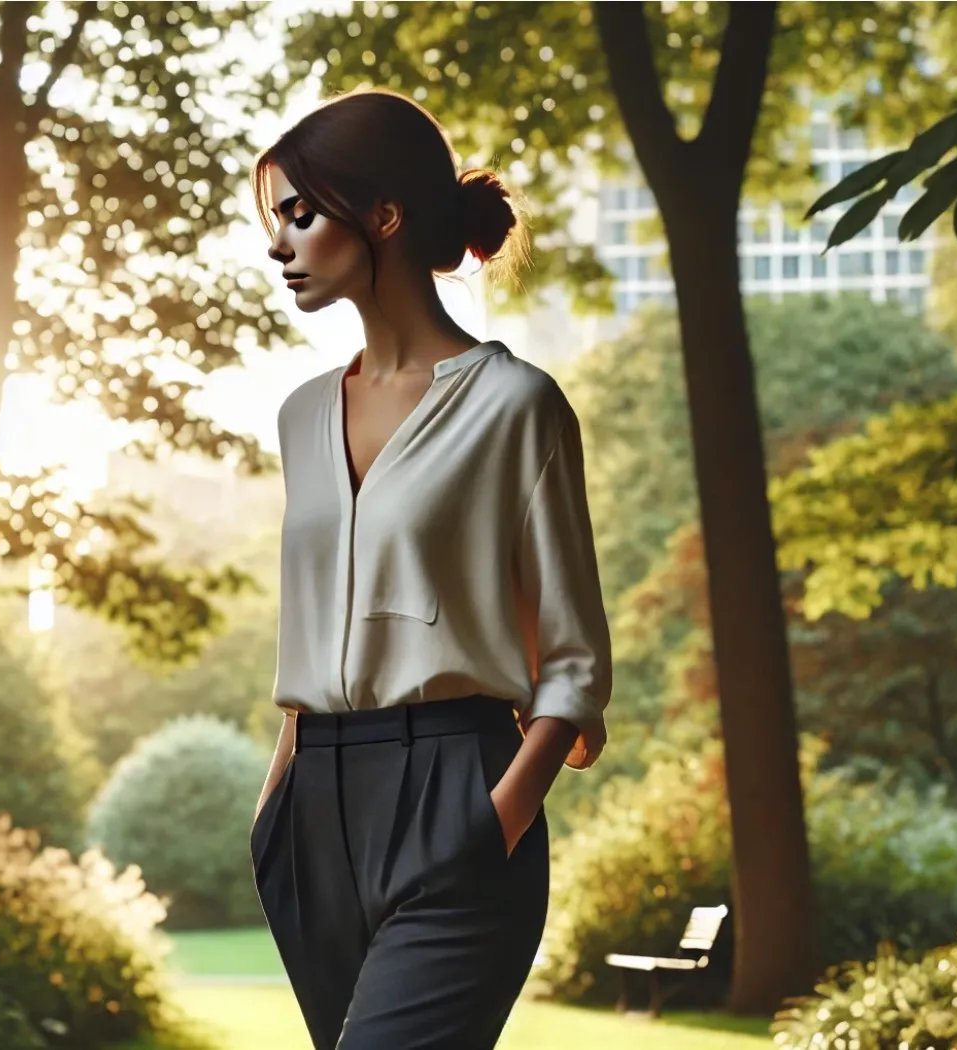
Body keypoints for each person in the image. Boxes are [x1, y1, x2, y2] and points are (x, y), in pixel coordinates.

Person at [246, 88, 614, 1050]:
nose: (278, 246)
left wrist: (494, 824)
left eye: (298, 214)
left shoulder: (515, 406)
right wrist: (274, 809)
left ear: (385, 216)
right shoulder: (299, 416)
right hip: (311, 809)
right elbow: (314, 623)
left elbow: (572, 663)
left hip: (458, 785)